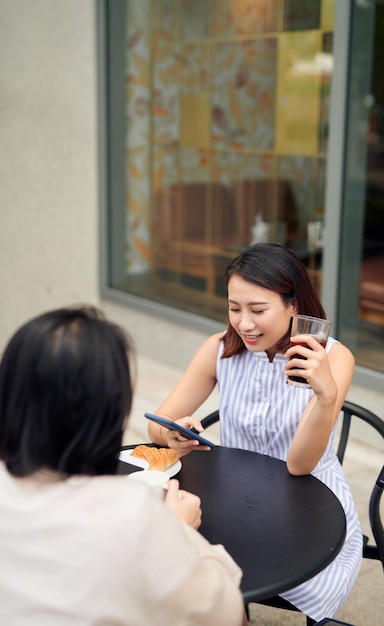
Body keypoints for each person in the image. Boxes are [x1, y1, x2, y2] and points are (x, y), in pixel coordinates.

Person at [148, 243, 363, 623]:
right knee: (175, 561)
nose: (244, 324)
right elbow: (157, 422)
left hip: (312, 509)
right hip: (235, 501)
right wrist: (173, 433)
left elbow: (299, 465)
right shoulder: (220, 349)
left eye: (258, 310)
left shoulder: (332, 357)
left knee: (204, 571)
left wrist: (326, 395)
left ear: (293, 304)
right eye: (234, 309)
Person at [0, 306, 247, 626]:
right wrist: (181, 532)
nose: (244, 321)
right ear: (110, 410)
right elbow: (227, 615)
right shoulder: (133, 513)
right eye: (234, 307)